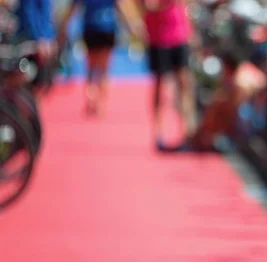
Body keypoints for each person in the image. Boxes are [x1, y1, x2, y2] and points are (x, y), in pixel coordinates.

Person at [58, 0, 146, 116]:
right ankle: (99, 103)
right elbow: (121, 8)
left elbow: (73, 9)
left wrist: (63, 28)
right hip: (106, 30)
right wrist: (131, 28)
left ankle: (91, 99)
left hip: (93, 30)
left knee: (91, 68)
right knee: (104, 70)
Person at [140, 0, 197, 151]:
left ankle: (186, 132)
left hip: (180, 35)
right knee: (160, 85)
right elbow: (149, 6)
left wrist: (191, 31)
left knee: (185, 84)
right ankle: (158, 132)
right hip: (159, 37)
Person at [14, 0, 58, 98]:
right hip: (29, 43)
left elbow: (48, 17)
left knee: (42, 85)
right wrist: (39, 39)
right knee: (29, 85)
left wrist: (50, 38)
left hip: (45, 43)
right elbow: (28, 14)